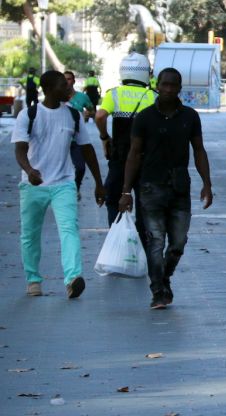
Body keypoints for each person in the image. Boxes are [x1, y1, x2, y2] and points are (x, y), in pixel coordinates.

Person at [118, 68, 213, 310]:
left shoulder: (190, 117)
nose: (169, 89)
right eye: (165, 85)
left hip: (180, 188)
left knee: (178, 243)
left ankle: (164, 277)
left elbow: (199, 150)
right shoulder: (144, 118)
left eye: (174, 85)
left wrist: (207, 184)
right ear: (157, 86)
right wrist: (126, 191)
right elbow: (134, 154)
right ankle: (158, 290)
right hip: (150, 188)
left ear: (180, 88)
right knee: (156, 241)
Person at [11, 70, 105, 299]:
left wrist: (99, 183)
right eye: (64, 86)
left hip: (64, 183)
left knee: (69, 230)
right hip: (34, 185)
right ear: (50, 89)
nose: (69, 89)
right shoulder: (29, 115)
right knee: (30, 234)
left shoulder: (73, 115)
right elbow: (20, 149)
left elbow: (87, 149)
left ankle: (73, 278)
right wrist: (29, 170)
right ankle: (33, 280)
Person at [95, 52, 157, 241]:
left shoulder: (114, 94)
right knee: (144, 202)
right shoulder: (153, 96)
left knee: (114, 197)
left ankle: (117, 236)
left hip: (120, 156)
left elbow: (100, 116)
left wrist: (105, 137)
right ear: (147, 73)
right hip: (147, 159)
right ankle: (142, 240)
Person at [64, 71, 95, 196]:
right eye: (64, 79)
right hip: (61, 139)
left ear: (74, 81)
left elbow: (92, 111)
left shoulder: (82, 97)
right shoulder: (56, 98)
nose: (67, 82)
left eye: (69, 79)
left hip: (77, 138)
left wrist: (88, 114)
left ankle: (76, 187)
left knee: (80, 167)